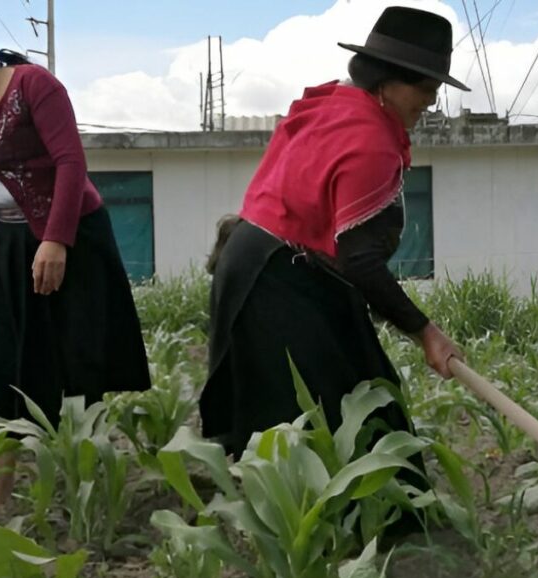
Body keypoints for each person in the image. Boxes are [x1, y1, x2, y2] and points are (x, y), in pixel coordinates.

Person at [0, 12, 151, 514]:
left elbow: (70, 163)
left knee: (69, 357)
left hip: (69, 239)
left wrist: (56, 240)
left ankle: (88, 471)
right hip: (2, 241)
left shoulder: (33, 86)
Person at [199, 7, 466, 464]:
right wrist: (426, 333)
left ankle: (371, 517)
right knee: (332, 413)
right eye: (424, 87)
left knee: (361, 390)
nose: (430, 99)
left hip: (256, 262)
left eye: (435, 89)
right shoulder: (370, 140)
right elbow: (360, 261)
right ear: (387, 81)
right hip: (276, 277)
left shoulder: (335, 106)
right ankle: (368, 525)